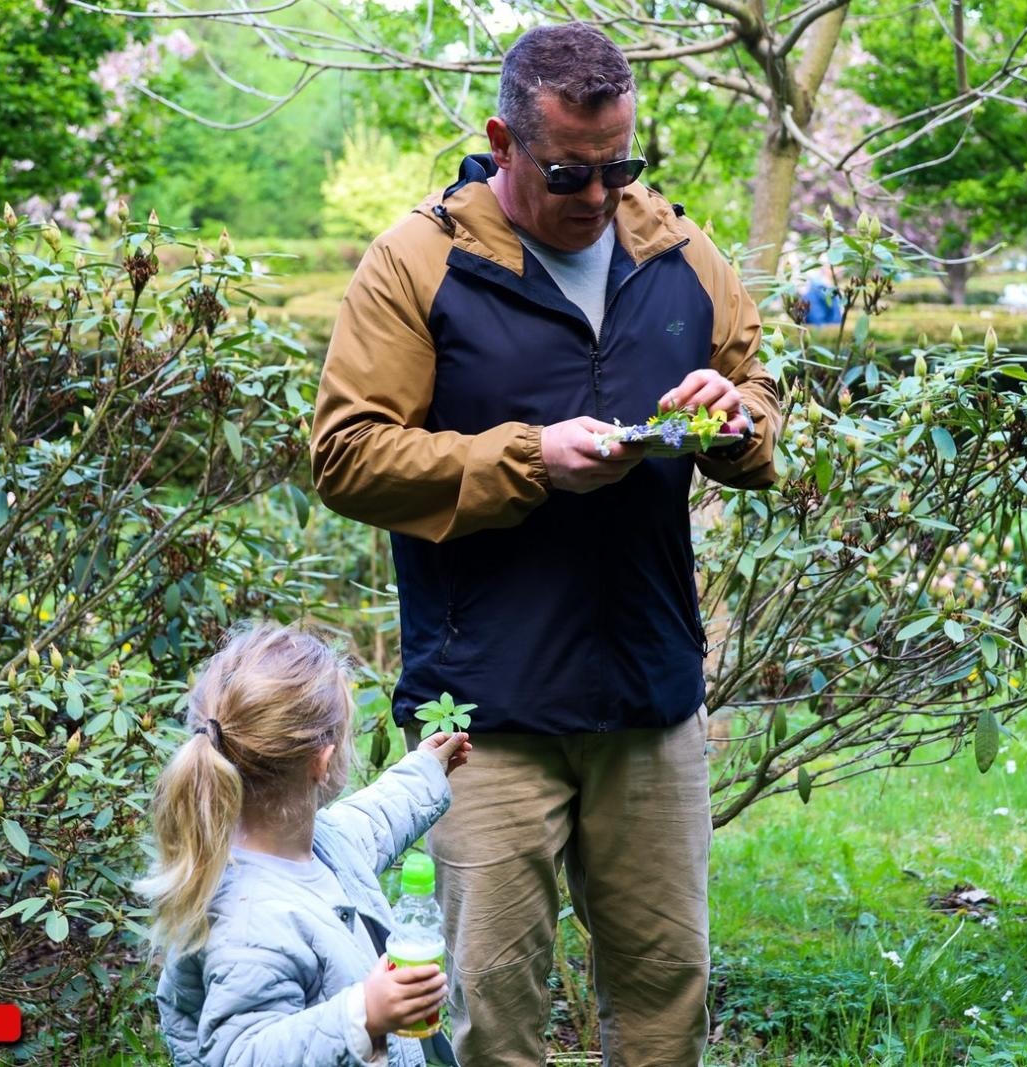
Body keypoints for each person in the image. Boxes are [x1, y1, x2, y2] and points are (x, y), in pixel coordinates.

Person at [310, 21, 780, 1065]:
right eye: (571, 170)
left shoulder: (679, 251)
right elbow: (345, 456)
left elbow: (759, 403)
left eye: (622, 166)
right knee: (493, 1016)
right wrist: (525, 458)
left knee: (666, 999)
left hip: (650, 694)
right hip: (481, 708)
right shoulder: (416, 261)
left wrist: (734, 414)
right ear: (503, 140)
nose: (599, 195)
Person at [141, 620, 473, 1066]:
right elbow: (242, 1054)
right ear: (324, 761)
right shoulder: (252, 923)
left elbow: (375, 818)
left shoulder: (318, 846)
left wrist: (427, 769)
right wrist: (363, 1015)